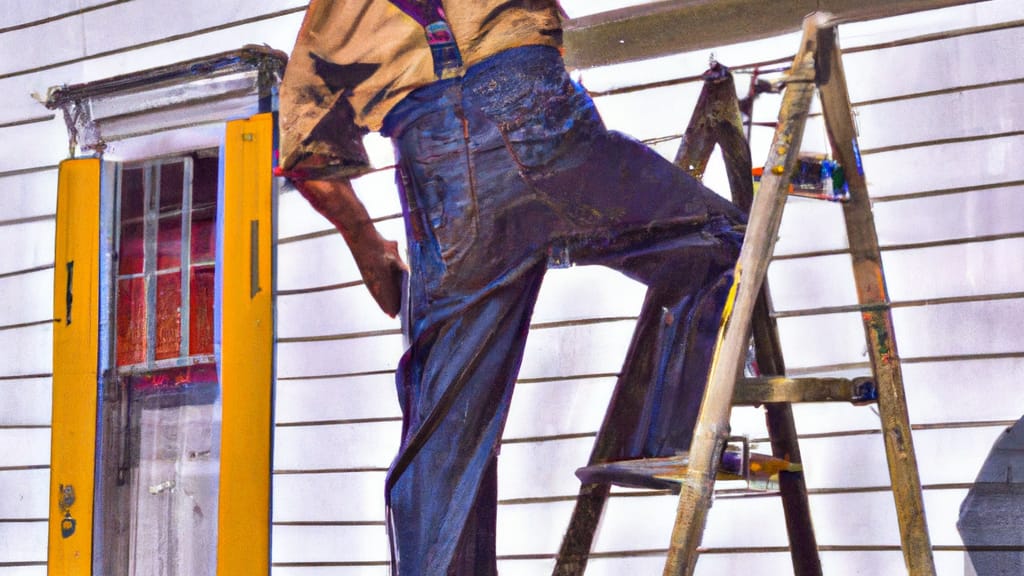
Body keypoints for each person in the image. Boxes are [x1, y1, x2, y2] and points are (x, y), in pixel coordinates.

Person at [278, 1, 746, 573]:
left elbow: (306, 155)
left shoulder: (336, 10)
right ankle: (667, 439)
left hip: (437, 163)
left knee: (446, 423)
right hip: (533, 111)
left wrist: (369, 249)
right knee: (723, 243)